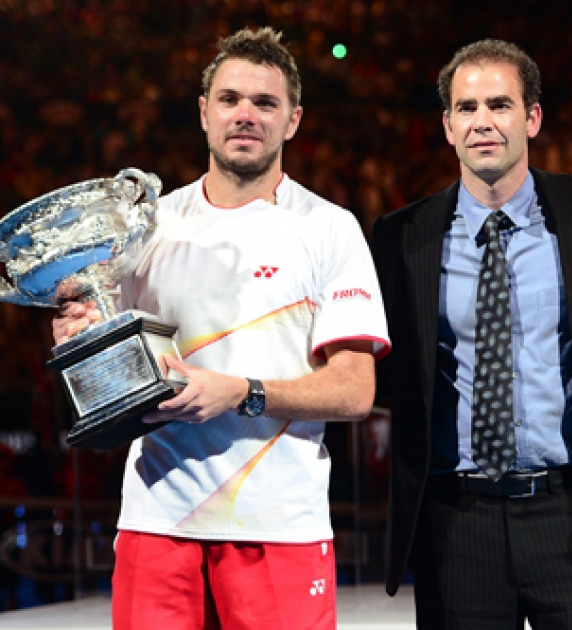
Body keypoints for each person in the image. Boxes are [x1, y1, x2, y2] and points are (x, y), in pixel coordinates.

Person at [53, 28, 390, 630]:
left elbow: (355, 390)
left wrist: (242, 392)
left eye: (265, 103)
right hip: (156, 521)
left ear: (293, 120)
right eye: (230, 99)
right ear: (204, 112)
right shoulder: (146, 229)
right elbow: (112, 386)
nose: (246, 115)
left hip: (279, 525)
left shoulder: (329, 228)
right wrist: (81, 343)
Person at [370, 39, 572, 630]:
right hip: (456, 522)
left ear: (531, 117)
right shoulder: (403, 237)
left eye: (500, 105)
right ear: (448, 126)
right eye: (467, 107)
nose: (483, 121)